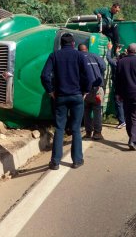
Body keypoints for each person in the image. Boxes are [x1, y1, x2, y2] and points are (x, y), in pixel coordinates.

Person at [41, 33, 93, 170]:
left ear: (61, 44)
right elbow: (89, 77)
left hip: (60, 97)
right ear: (73, 44)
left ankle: (55, 162)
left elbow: (44, 75)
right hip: (77, 97)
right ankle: (77, 160)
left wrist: (50, 91)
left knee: (59, 128)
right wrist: (86, 91)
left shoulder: (54, 56)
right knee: (76, 129)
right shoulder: (80, 56)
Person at [78, 43, 106, 140]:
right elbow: (103, 66)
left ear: (79, 50)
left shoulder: (78, 58)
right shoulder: (94, 55)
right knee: (97, 110)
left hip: (85, 90)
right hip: (97, 88)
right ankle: (97, 133)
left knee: (86, 111)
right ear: (87, 49)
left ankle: (88, 132)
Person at [106, 42, 126, 129]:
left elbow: (108, 58)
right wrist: (118, 52)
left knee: (118, 103)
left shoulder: (116, 64)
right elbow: (119, 57)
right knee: (123, 103)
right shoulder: (125, 63)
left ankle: (122, 121)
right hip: (125, 86)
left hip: (118, 86)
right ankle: (124, 119)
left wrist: (109, 49)